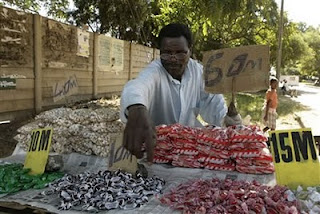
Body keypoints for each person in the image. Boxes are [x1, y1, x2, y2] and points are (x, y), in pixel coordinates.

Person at [120, 23, 227, 163]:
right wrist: (137, 108)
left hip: (190, 153)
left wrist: (227, 120)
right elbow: (137, 86)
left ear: (190, 50)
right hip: (157, 152)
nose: (173, 59)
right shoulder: (155, 71)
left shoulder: (199, 72)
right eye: (167, 53)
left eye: (180, 53)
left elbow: (215, 105)